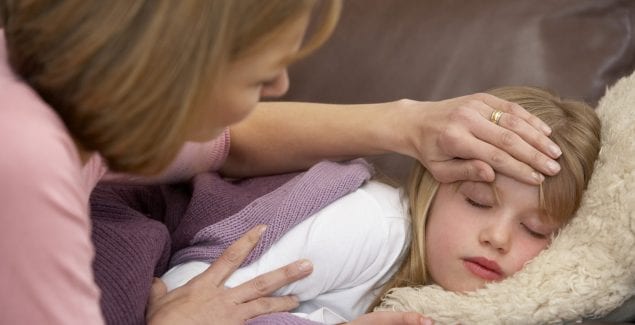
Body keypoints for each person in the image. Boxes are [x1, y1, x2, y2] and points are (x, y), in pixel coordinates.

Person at [0, 0, 563, 323]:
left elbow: (228, 144)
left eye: (539, 230)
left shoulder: (84, 114)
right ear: (170, 63)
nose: (281, 85)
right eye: (259, 73)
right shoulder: (26, 158)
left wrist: (409, 125)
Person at [161, 86, 601, 324]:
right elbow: (190, 293)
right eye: (477, 201)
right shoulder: (373, 223)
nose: (498, 237)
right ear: (434, 182)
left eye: (536, 230)